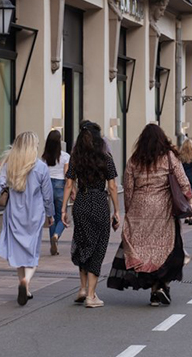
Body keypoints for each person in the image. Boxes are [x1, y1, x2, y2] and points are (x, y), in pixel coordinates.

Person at [107, 124, 192, 307]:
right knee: (166, 249)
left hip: (139, 209)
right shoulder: (169, 158)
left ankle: (155, 290)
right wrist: (186, 201)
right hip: (163, 210)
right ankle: (161, 286)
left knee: (143, 250)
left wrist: (129, 210)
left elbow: (128, 188)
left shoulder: (134, 160)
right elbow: (184, 183)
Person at [62, 121, 120, 308]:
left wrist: (64, 209)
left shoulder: (76, 158)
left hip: (81, 202)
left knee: (82, 243)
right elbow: (112, 186)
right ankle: (92, 295)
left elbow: (69, 184)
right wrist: (117, 211)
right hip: (99, 203)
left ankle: (83, 288)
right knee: (98, 247)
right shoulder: (106, 157)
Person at [0, 132, 55, 306]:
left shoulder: (10, 165)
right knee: (32, 252)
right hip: (34, 214)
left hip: (14, 213)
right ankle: (26, 282)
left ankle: (23, 285)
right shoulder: (41, 167)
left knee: (18, 251)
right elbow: (47, 195)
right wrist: (50, 214)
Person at [42, 130, 69, 255]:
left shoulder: (44, 158)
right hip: (60, 185)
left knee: (51, 216)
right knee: (62, 216)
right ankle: (56, 235)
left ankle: (53, 242)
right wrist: (72, 190)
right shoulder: (65, 156)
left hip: (47, 186)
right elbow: (67, 175)